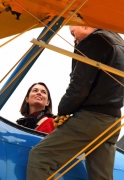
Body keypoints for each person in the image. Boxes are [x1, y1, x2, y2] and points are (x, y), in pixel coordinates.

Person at [26, 26, 124, 180]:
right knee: (101, 177)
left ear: (85, 25)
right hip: (112, 122)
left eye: (73, 33)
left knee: (40, 156)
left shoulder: (94, 41)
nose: (74, 39)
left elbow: (79, 86)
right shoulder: (119, 40)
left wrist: (63, 110)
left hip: (91, 119)